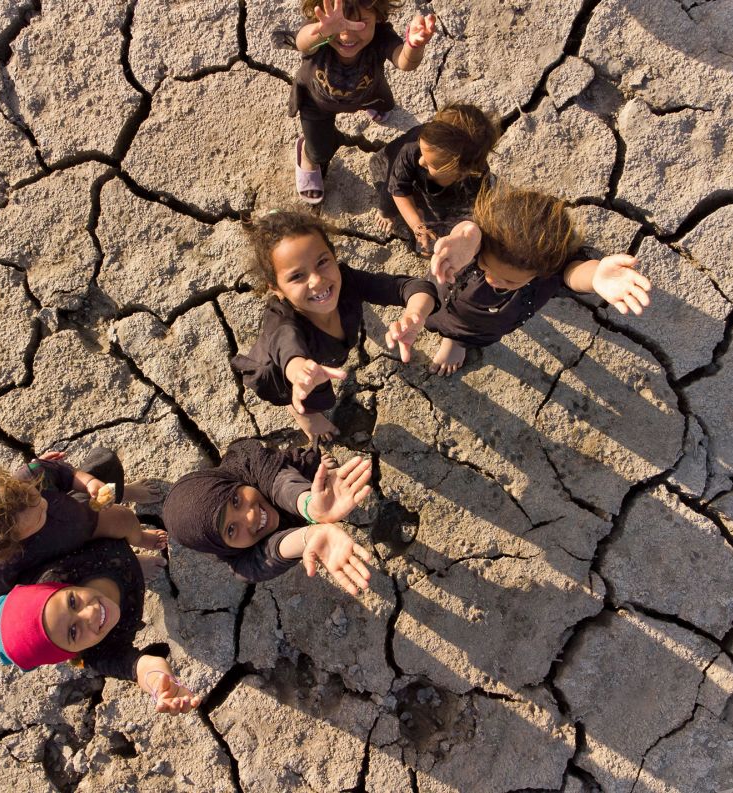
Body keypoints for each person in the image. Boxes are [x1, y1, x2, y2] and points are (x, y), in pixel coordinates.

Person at [231, 210, 438, 442]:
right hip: (287, 373)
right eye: (297, 276)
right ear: (276, 288)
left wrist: (415, 313)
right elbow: (286, 347)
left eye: (322, 262)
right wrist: (299, 370)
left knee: (316, 381)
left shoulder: (348, 281)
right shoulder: (283, 324)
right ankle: (304, 414)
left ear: (333, 254)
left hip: (322, 364)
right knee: (314, 396)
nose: (317, 280)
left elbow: (410, 287)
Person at [426, 183, 653, 376]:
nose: (494, 280)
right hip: (449, 299)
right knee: (441, 314)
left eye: (510, 281)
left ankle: (458, 341)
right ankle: (451, 338)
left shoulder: (548, 269)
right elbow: (468, 232)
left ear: (542, 272)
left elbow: (572, 273)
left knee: (476, 332)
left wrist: (595, 276)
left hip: (495, 321)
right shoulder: (471, 248)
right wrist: (466, 233)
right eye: (485, 266)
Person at [0, 539, 200, 714]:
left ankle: (135, 564)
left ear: (64, 586)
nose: (90, 613)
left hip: (113, 552)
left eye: (73, 602)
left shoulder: (65, 562)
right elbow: (140, 666)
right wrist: (160, 684)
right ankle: (134, 568)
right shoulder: (97, 654)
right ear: (71, 652)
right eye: (73, 632)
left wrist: (135, 536)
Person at [0, 448, 167, 599]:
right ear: (8, 544)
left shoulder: (30, 476)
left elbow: (67, 475)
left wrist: (90, 483)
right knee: (100, 572)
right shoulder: (4, 560)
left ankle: (132, 513)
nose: (43, 506)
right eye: (39, 517)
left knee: (123, 516)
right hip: (70, 560)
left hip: (85, 519)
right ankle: (133, 562)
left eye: (35, 497)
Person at [162, 439, 373, 595]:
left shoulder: (245, 462)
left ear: (228, 483)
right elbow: (271, 553)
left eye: (235, 501)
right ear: (220, 545)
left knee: (311, 467)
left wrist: (309, 506)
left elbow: (279, 483)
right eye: (231, 530)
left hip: (296, 480)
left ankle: (321, 473)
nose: (251, 516)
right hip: (295, 529)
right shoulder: (243, 566)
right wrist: (309, 536)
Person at [290, 0, 437, 203]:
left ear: (377, 16)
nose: (346, 35)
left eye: (360, 23)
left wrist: (413, 46)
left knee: (386, 105)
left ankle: (370, 106)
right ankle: (308, 157)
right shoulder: (320, 34)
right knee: (320, 151)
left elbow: (404, 62)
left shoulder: (381, 36)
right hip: (317, 100)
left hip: (368, 91)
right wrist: (322, 31)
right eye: (339, 24)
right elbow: (301, 42)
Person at [378, 103, 500, 254]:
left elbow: (473, 217)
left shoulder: (476, 180)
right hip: (405, 177)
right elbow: (399, 188)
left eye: (432, 164)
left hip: (447, 198)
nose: (421, 161)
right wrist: (417, 225)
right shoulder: (413, 147)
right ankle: (389, 214)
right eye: (422, 153)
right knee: (387, 204)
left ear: (462, 173)